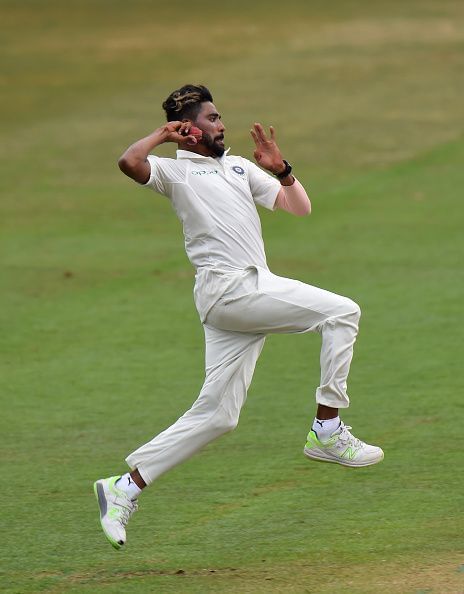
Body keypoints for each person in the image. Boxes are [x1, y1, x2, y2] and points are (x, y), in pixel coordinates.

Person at [94, 84, 383, 550]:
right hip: (232, 289)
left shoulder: (236, 166)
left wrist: (283, 171)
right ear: (188, 130)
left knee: (218, 416)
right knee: (342, 312)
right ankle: (327, 428)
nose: (221, 124)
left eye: (219, 116)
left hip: (242, 298)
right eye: (211, 119)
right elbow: (129, 163)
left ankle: (124, 488)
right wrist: (160, 136)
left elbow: (298, 207)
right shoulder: (173, 172)